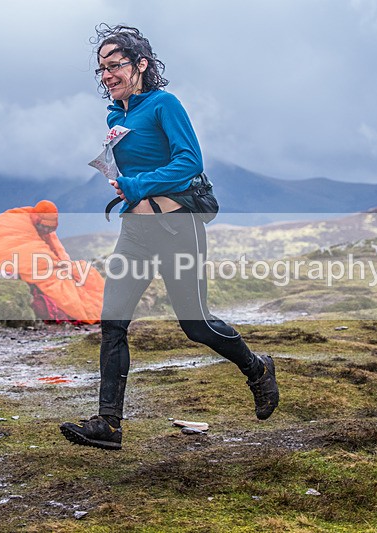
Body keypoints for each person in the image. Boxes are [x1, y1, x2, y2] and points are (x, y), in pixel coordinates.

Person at [60, 25, 278, 450]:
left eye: (115, 66)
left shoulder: (164, 105)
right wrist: (124, 183)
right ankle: (109, 424)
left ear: (140, 64)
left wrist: (140, 185)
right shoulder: (115, 116)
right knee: (113, 322)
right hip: (136, 231)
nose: (107, 76)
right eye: (101, 69)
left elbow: (190, 160)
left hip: (178, 227)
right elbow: (140, 168)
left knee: (195, 324)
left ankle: (258, 369)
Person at [0, 200, 104, 324]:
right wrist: (56, 265)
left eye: (50, 228)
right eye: (45, 227)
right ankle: (81, 308)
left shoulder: (42, 225)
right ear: (36, 220)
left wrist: (65, 264)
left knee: (83, 271)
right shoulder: (18, 223)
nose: (47, 231)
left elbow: (57, 250)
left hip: (6, 268)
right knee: (55, 278)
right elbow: (33, 256)